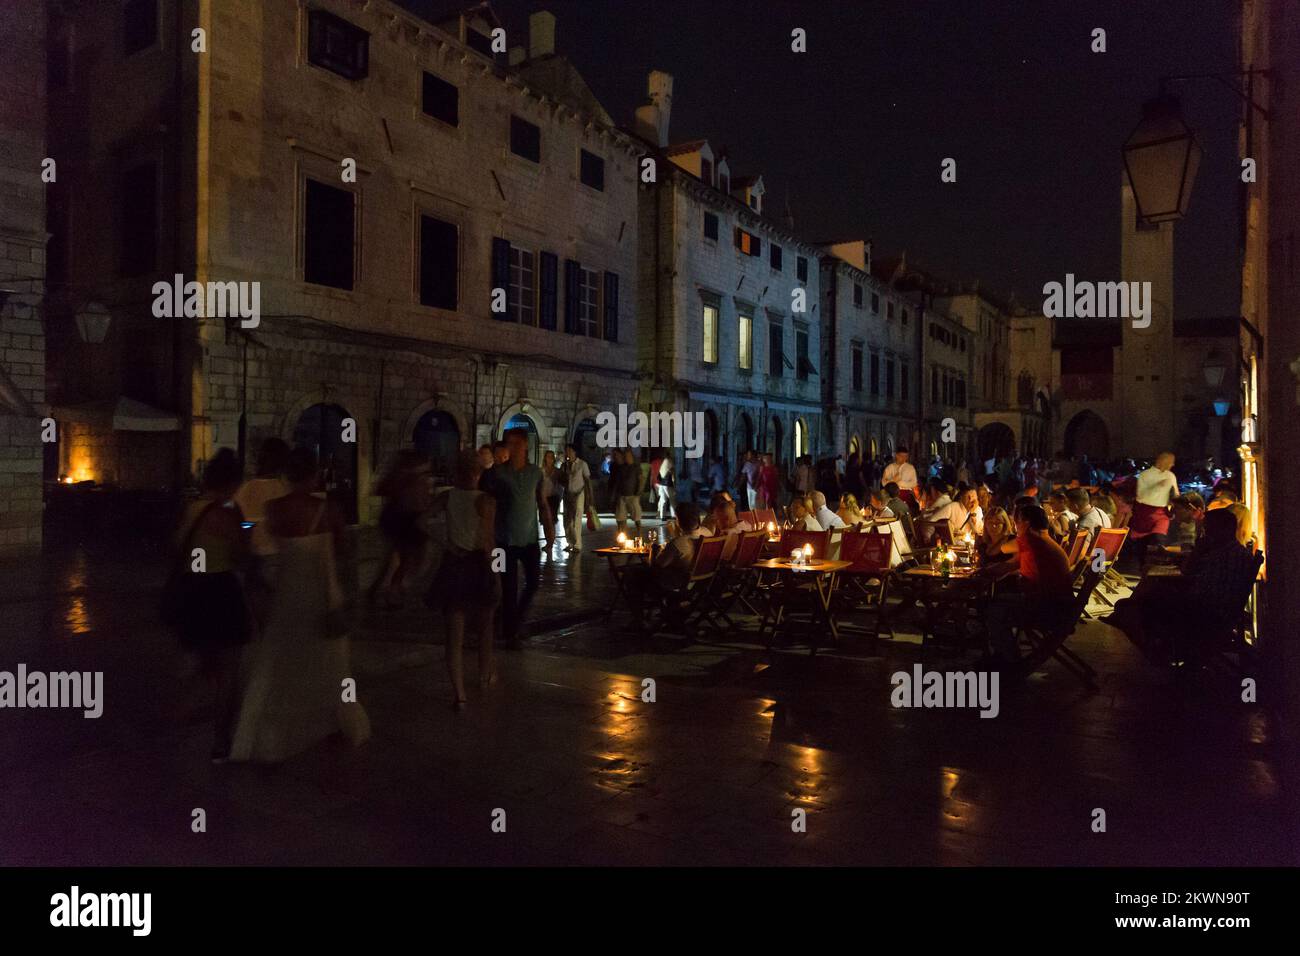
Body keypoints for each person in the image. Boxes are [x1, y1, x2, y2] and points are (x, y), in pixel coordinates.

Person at [230, 447, 371, 763]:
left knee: (283, 656)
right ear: (313, 475)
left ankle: (275, 727)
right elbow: (343, 550)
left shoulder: (273, 509)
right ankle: (329, 716)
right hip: (322, 594)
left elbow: (264, 548)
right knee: (328, 659)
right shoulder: (329, 510)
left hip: (287, 593)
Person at [171, 449, 251, 763]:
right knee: (228, 670)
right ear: (233, 482)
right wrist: (244, 526)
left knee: (203, 661)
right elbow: (241, 554)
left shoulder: (192, 509)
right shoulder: (228, 513)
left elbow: (176, 545)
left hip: (193, 590)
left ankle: (180, 715)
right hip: (220, 589)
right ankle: (221, 741)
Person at [1108, 508, 1259, 664]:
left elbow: (1189, 572)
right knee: (1149, 595)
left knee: (1132, 607)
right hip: (1217, 613)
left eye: (1208, 529)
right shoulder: (1237, 552)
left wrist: (1199, 550)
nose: (1206, 533)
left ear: (1222, 529)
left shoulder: (1221, 555)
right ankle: (1161, 650)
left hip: (1204, 615)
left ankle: (1159, 654)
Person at [426, 450, 500, 709]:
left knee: (454, 633)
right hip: (478, 563)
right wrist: (495, 572)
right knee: (485, 626)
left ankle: (459, 694)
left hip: (454, 564)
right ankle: (484, 675)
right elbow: (489, 541)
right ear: (477, 473)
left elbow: (421, 520)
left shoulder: (446, 497)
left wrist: (446, 542)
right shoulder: (486, 501)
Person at [481, 428, 554, 647]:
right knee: (508, 587)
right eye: (509, 443)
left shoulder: (535, 473)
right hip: (504, 540)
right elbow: (487, 503)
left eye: (516, 443)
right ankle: (510, 632)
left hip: (529, 539)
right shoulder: (497, 473)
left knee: (533, 582)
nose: (512, 447)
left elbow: (541, 502)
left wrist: (549, 529)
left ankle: (515, 620)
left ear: (525, 445)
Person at [981, 503, 1075, 669]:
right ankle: (1005, 654)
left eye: (1016, 522)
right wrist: (987, 570)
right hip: (1061, 605)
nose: (1016, 526)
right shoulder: (1043, 539)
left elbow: (1003, 549)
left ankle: (1008, 659)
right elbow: (1011, 564)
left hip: (1047, 609)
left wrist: (983, 570)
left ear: (1026, 522)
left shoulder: (1030, 539)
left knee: (993, 608)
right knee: (1000, 599)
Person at [233, 437, 291, 625]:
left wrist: (252, 526)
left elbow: (241, 522)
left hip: (255, 557)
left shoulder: (247, 489)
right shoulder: (285, 488)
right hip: (281, 556)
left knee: (261, 615)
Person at [369, 450, 434, 608]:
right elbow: (383, 490)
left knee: (399, 558)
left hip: (405, 518)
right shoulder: (405, 476)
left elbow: (423, 497)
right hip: (403, 518)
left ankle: (386, 589)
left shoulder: (415, 477)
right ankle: (394, 590)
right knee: (409, 558)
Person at [560, 444, 591, 553]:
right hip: (567, 494)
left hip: (579, 494)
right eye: (566, 451)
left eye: (569, 451)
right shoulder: (564, 465)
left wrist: (589, 496)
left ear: (574, 452)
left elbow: (587, 480)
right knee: (567, 520)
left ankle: (577, 544)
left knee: (577, 519)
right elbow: (561, 480)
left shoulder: (582, 464)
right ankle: (569, 542)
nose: (567, 453)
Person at [613, 449, 644, 537]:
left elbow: (641, 479)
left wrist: (638, 493)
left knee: (636, 516)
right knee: (620, 517)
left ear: (631, 456)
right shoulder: (622, 467)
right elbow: (618, 481)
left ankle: (639, 533)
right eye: (625, 456)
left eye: (628, 456)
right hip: (622, 495)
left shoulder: (636, 467)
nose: (626, 458)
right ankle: (621, 534)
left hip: (633, 496)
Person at [1069, 486, 1111, 550]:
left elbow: (1080, 553)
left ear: (1075, 506)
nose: (1065, 505)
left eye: (1066, 502)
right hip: (1102, 557)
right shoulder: (1101, 512)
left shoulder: (1085, 524)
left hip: (1091, 559)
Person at [540, 449, 563, 548]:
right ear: (545, 458)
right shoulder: (541, 471)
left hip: (553, 498)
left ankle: (550, 543)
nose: (549, 459)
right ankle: (548, 541)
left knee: (552, 520)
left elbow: (562, 484)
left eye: (551, 457)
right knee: (545, 521)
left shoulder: (557, 471)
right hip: (543, 497)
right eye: (547, 457)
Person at [654, 454, 677, 521]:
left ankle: (662, 516)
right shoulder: (671, 464)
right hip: (668, 484)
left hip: (662, 485)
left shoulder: (663, 464)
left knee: (663, 500)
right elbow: (673, 477)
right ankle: (674, 515)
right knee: (672, 501)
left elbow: (659, 476)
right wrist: (674, 485)